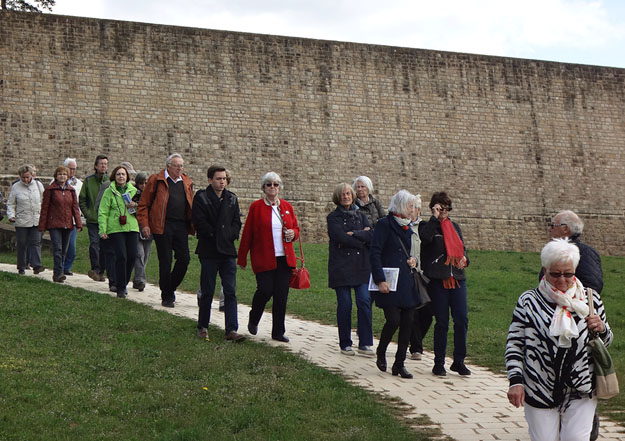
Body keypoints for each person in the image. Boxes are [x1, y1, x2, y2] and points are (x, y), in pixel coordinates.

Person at [506, 238, 613, 441]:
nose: (562, 280)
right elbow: (515, 343)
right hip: (540, 387)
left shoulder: (591, 299)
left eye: (568, 274)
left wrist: (602, 328)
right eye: (555, 274)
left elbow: (605, 342)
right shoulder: (528, 301)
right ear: (544, 270)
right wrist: (515, 381)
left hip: (582, 388)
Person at [545, 209, 604, 441]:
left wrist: (569, 302)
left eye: (553, 224)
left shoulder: (583, 253)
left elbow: (593, 285)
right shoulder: (554, 253)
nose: (549, 228)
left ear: (565, 230)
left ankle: (588, 432)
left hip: (577, 325)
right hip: (556, 326)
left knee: (581, 381)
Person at [237, 172, 299, 343]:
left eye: (276, 184)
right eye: (269, 184)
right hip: (263, 257)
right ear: (263, 188)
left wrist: (292, 233)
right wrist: (242, 257)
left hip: (284, 259)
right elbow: (248, 233)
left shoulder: (286, 207)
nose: (273, 187)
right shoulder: (256, 207)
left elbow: (296, 229)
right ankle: (254, 316)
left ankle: (278, 331)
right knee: (265, 290)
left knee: (281, 295)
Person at [370, 189, 422, 379]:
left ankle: (399, 363)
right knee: (394, 319)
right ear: (400, 206)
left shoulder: (407, 227)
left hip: (406, 281)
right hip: (389, 281)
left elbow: (406, 252)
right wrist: (379, 280)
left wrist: (412, 260)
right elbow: (375, 252)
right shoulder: (384, 225)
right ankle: (381, 350)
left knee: (408, 322)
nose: (412, 210)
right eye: (410, 206)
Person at [419, 191, 470, 377]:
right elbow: (425, 240)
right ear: (434, 207)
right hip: (438, 280)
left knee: (462, 320)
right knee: (442, 322)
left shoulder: (455, 227)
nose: (444, 211)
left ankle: (459, 361)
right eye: (440, 207)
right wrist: (434, 219)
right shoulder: (427, 226)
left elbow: (462, 249)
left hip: (457, 278)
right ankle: (438, 362)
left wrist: (466, 260)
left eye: (447, 208)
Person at [193, 165, 244, 342]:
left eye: (224, 179)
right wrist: (215, 234)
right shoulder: (202, 197)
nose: (222, 182)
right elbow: (199, 221)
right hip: (209, 250)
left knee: (230, 291)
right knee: (207, 290)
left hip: (228, 250)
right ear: (210, 180)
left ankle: (231, 329)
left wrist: (230, 234)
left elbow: (237, 221)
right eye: (218, 179)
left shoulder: (231, 198)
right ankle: (203, 326)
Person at [137, 153, 194, 308]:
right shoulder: (157, 180)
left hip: (181, 226)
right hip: (162, 225)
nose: (180, 168)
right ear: (168, 166)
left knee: (184, 259)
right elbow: (143, 204)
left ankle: (170, 287)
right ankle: (166, 296)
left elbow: (190, 203)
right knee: (166, 261)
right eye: (177, 166)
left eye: (181, 166)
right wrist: (145, 225)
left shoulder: (186, 182)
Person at [327, 182, 374, 356]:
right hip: (341, 267)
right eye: (343, 194)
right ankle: (345, 342)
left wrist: (355, 234)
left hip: (361, 266)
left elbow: (371, 235)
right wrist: (361, 237)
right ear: (338, 198)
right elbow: (339, 237)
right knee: (345, 304)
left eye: (348, 193)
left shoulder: (361, 216)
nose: (346, 197)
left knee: (364, 302)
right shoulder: (333, 218)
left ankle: (365, 342)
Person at [98, 165, 139, 298]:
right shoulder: (109, 192)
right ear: (114, 177)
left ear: (127, 177)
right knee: (121, 256)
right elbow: (103, 212)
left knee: (132, 256)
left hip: (132, 227)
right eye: (118, 174)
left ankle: (124, 282)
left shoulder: (135, 191)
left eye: (123, 174)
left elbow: (143, 209)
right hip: (115, 228)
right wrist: (102, 229)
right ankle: (120, 287)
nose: (121, 176)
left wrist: (136, 206)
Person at [39, 165, 82, 283]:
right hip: (54, 224)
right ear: (56, 176)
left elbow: (75, 208)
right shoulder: (50, 190)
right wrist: (42, 226)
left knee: (64, 249)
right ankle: (58, 273)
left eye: (64, 174)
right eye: (60, 174)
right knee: (57, 249)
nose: (62, 176)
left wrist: (78, 223)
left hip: (68, 224)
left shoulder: (71, 190)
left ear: (67, 176)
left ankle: (60, 271)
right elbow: (45, 208)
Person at [7, 165, 45, 275]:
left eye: (28, 177)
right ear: (20, 176)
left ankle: (37, 265)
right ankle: (22, 267)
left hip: (36, 219)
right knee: (22, 244)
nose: (26, 180)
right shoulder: (16, 187)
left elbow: (43, 201)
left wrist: (43, 216)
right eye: (23, 177)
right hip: (21, 220)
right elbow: (11, 203)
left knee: (36, 242)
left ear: (32, 175)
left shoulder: (38, 185)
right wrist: (11, 215)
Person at [408, 194, 433, 360]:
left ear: (418, 210)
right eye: (407, 207)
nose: (409, 211)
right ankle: (416, 347)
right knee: (412, 312)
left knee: (428, 313)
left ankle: (414, 342)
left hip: (424, 275)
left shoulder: (424, 226)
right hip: (408, 274)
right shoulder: (401, 226)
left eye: (412, 208)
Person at [79, 155, 109, 282]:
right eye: (101, 164)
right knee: (94, 244)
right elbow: (82, 199)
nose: (103, 166)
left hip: (106, 220)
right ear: (96, 166)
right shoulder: (88, 181)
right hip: (93, 219)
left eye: (105, 164)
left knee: (104, 247)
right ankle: (95, 269)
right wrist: (88, 213)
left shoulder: (109, 181)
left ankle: (101, 271)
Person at [60, 157, 83, 276]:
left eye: (74, 169)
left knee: (71, 247)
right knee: (61, 246)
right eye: (70, 169)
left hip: (73, 219)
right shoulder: (55, 183)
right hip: (59, 219)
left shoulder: (79, 184)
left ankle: (66, 267)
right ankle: (59, 267)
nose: (72, 171)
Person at [132, 171, 152, 292]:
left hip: (148, 228)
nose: (144, 186)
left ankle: (137, 278)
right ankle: (140, 280)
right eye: (141, 183)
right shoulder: (134, 194)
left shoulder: (152, 195)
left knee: (146, 255)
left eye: (146, 183)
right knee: (139, 254)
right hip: (136, 227)